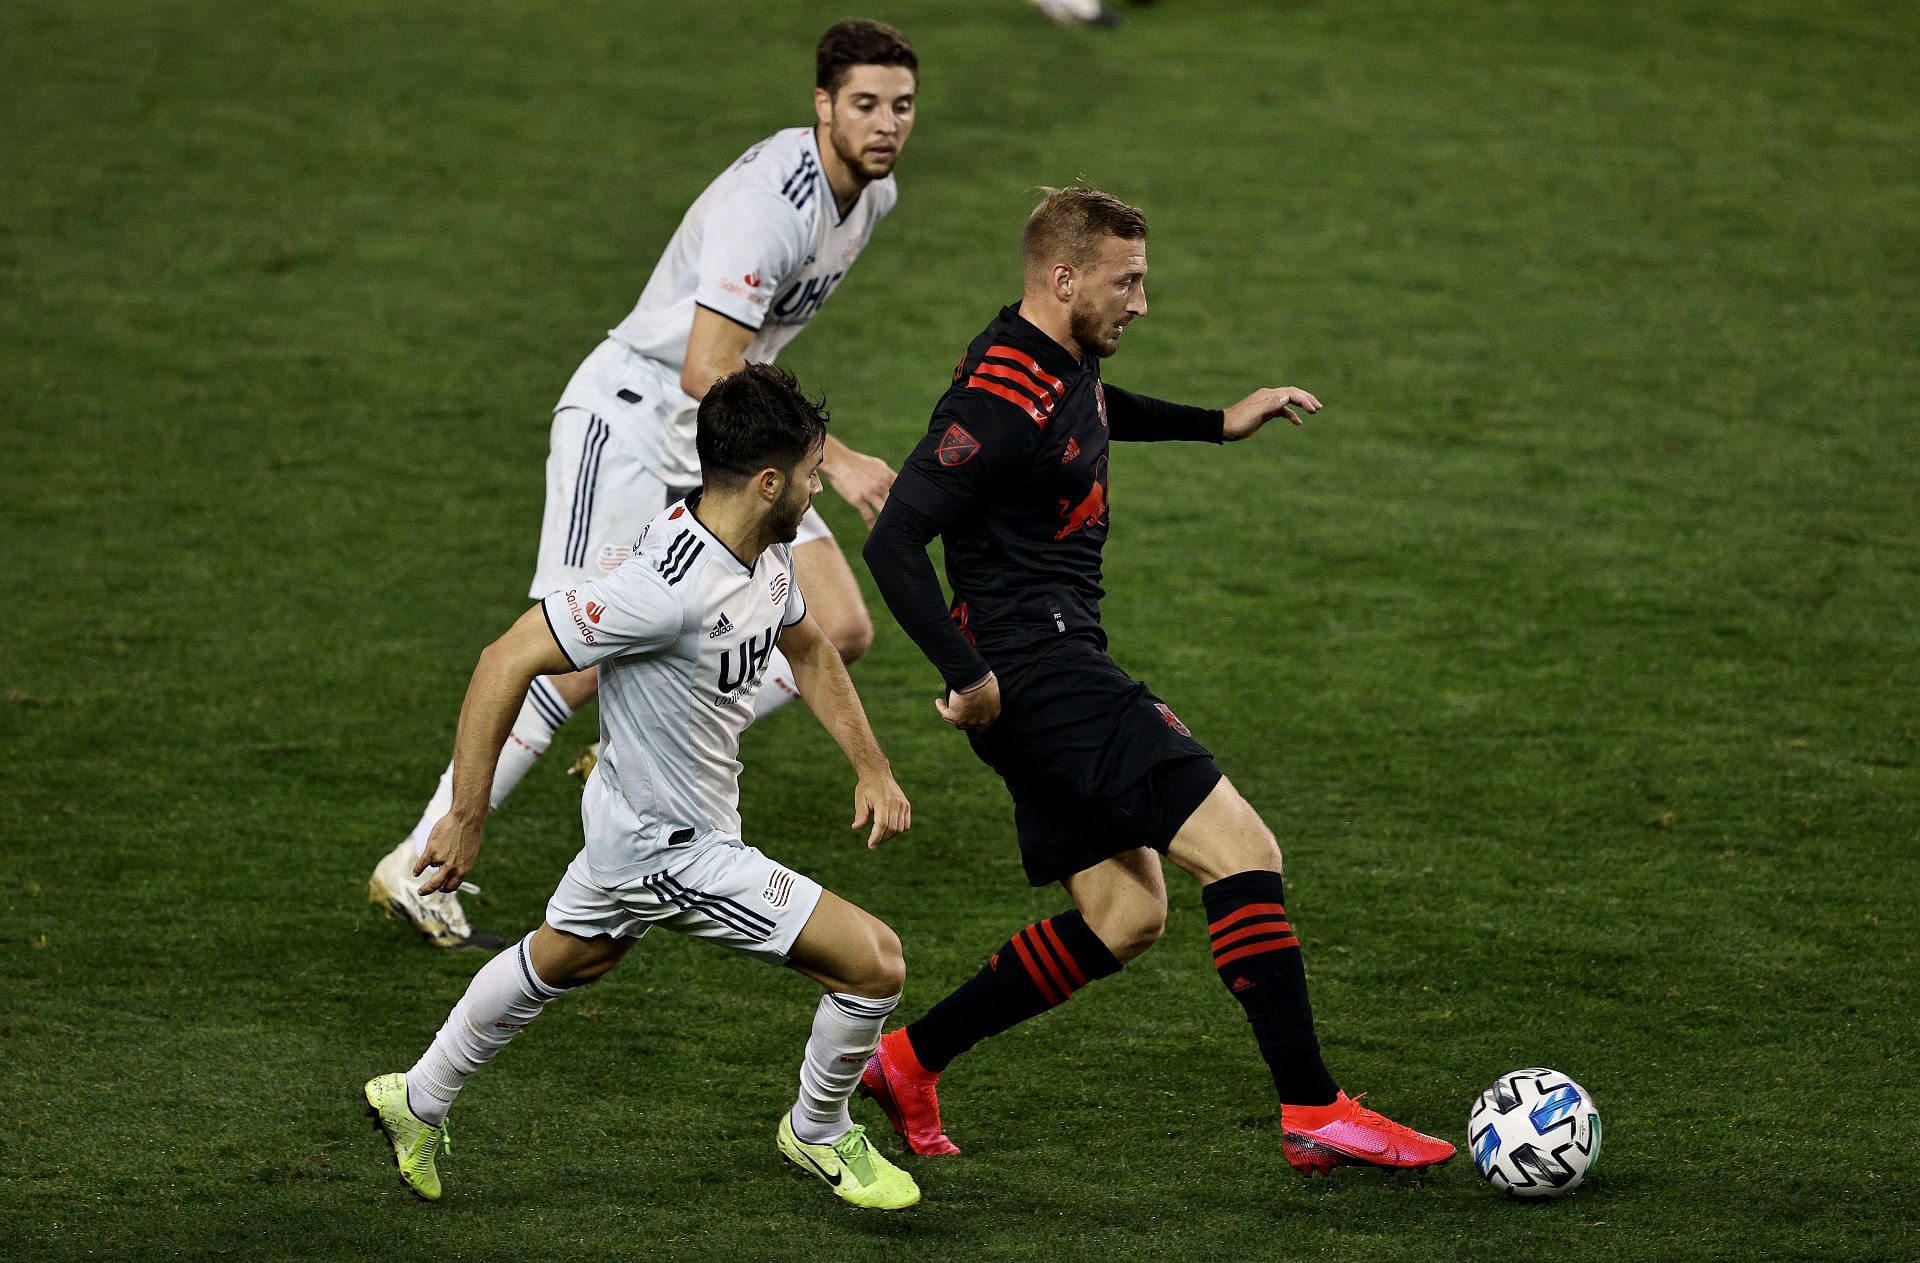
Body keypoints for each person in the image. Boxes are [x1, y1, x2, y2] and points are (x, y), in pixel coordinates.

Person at [856, 187, 1456, 1175]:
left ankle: (909, 1061)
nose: (1141, 302)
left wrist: (1222, 422)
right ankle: (1312, 1107)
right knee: (1242, 848)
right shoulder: (995, 398)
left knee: (1127, 917)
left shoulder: (1060, 364)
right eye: (1126, 282)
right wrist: (969, 677)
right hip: (1044, 675)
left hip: (1044, 670)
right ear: (1064, 278)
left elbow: (1089, 414)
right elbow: (894, 540)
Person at [370, 18, 920, 948]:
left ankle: (643, 751)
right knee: (564, 652)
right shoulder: (771, 206)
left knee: (840, 627)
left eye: (901, 106)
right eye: (864, 104)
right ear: (821, 104)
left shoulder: (872, 197)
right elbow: (707, 364)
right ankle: (423, 853)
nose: (885, 125)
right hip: (632, 421)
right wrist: (841, 454)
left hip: (730, 442)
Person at [364, 365, 921, 1210]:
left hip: (637, 820)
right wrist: (465, 815)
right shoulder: (662, 588)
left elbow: (808, 647)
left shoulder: (763, 555)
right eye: (811, 472)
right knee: (875, 964)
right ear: (769, 482)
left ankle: (417, 1097)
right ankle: (816, 1129)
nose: (818, 486)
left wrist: (871, 766)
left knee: (575, 954)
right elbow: (504, 660)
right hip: (672, 848)